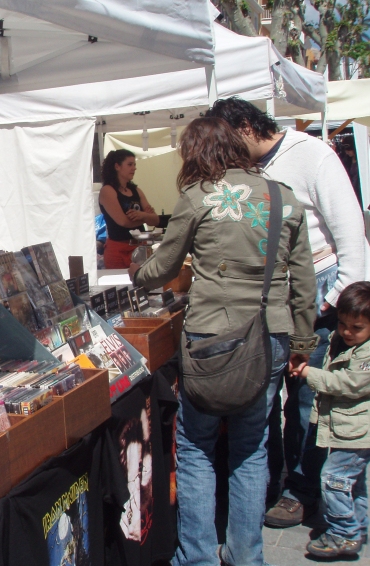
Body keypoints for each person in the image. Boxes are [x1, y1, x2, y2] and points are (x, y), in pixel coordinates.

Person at [128, 117, 317, 566]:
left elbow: (165, 264)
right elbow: (304, 281)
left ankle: (198, 556)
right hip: (270, 335)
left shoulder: (199, 196)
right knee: (251, 448)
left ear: (198, 153)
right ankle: (246, 555)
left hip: (212, 336)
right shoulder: (283, 198)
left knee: (196, 445)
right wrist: (303, 342)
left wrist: (138, 273)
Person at [207, 97, 369, 528]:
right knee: (261, 396)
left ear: (245, 126)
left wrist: (331, 302)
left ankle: (302, 489)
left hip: (318, 293)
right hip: (264, 298)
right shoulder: (243, 172)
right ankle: (270, 482)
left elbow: (351, 235)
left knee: (304, 400)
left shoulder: (312, 155)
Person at [292, 281, 370, 558]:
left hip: (357, 433)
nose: (347, 332)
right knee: (354, 483)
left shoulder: (367, 355)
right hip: (347, 429)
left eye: (356, 328)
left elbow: (347, 383)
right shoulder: (344, 341)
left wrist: (307, 374)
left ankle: (343, 533)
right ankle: (358, 527)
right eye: (343, 324)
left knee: (333, 479)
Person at [98, 149, 169, 268]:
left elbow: (155, 220)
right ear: (117, 166)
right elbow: (123, 221)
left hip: (139, 248)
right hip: (118, 249)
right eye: (130, 164)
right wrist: (144, 217)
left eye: (134, 164)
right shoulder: (108, 190)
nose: (134, 168)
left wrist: (143, 216)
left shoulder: (136, 190)